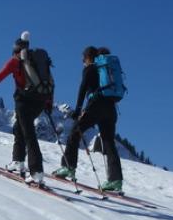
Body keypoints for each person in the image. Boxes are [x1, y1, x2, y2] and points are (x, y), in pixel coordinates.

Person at [0, 31, 53, 185]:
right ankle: (18, 161)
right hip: (40, 101)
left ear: (15, 49)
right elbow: (50, 82)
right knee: (19, 128)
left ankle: (36, 172)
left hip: (24, 102)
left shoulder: (15, 61)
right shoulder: (37, 60)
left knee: (29, 134)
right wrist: (48, 103)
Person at [52, 46, 124, 192]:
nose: (82, 62)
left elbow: (83, 88)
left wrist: (77, 110)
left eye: (83, 59)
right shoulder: (104, 70)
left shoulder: (90, 68)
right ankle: (115, 180)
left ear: (88, 58)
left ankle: (68, 167)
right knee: (109, 143)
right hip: (111, 109)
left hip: (96, 106)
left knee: (75, 132)